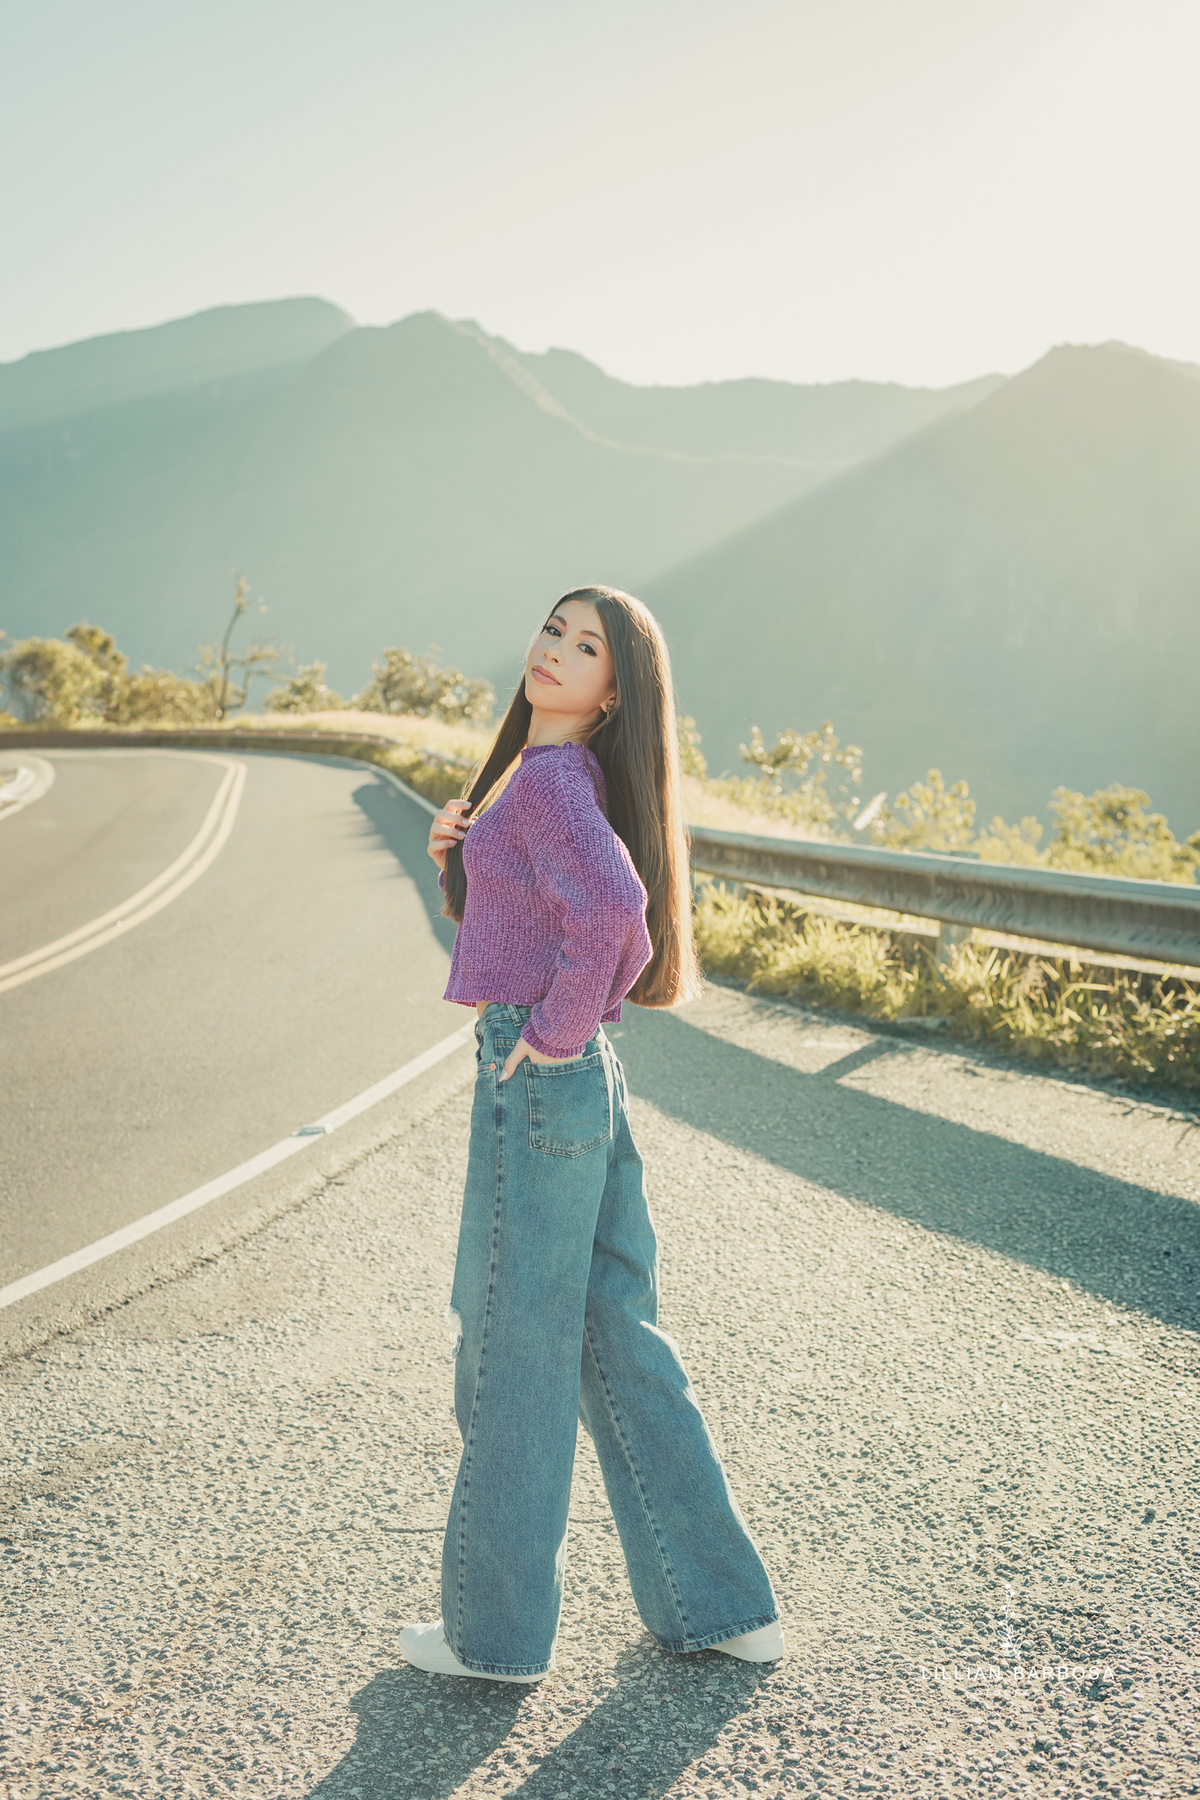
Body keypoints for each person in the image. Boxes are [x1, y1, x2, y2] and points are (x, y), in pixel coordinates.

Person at [400, 586, 782, 1683]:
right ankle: (722, 1607)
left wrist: (554, 1038)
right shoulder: (547, 777)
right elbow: (529, 923)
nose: (555, 653)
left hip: (541, 1071)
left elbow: (615, 917)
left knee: (509, 1351)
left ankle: (494, 1639)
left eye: (586, 647)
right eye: (551, 630)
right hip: (577, 1077)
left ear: (616, 689)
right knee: (616, 1334)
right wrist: (452, 864)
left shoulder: (557, 778)